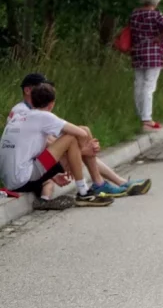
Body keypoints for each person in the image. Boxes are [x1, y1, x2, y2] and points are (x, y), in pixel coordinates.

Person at [11, 74, 150, 208]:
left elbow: (55, 138)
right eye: (40, 87)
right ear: (27, 90)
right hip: (33, 164)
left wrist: (78, 150)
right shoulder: (21, 112)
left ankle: (103, 183)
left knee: (83, 131)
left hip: (37, 160)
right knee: (75, 139)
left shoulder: (36, 111)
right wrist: (79, 151)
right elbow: (43, 144)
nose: (44, 90)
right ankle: (93, 188)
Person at [0, 83, 114, 207]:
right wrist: (78, 153)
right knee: (71, 138)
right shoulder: (44, 116)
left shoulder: (19, 116)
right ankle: (84, 192)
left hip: (10, 180)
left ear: (32, 101)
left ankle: (86, 189)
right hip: (23, 180)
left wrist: (73, 155)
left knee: (73, 138)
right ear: (52, 104)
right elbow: (81, 134)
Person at [129, 0, 163, 132]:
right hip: (153, 54)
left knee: (138, 84)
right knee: (149, 86)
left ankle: (140, 115)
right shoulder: (156, 15)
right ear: (156, 0)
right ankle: (147, 119)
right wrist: (160, 37)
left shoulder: (135, 14)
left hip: (137, 52)